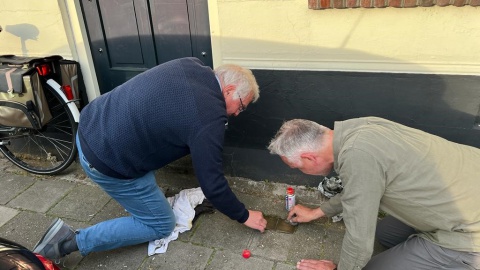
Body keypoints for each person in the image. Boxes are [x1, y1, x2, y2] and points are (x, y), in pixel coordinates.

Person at [33, 57, 267, 260]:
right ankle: (67, 243)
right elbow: (212, 183)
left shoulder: (190, 64)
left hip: (91, 125)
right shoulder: (209, 116)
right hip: (107, 161)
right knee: (161, 224)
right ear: (229, 90)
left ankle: (145, 200)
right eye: (242, 106)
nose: (237, 113)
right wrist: (244, 215)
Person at [268, 116, 480, 270]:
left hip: (469, 232)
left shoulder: (357, 158)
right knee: (385, 234)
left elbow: (359, 240)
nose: (301, 172)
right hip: (463, 191)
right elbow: (359, 189)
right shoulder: (358, 129)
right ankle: (424, 245)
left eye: (298, 168)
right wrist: (318, 212)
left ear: (309, 158)